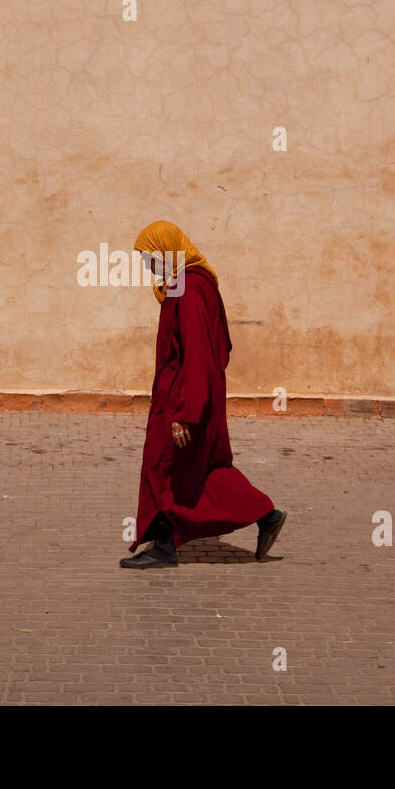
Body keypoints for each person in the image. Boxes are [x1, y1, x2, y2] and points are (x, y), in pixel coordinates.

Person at [120, 220, 286, 569]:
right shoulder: (192, 283)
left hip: (183, 400)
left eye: (151, 258)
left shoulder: (189, 289)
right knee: (205, 471)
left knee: (165, 468)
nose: (148, 267)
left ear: (168, 251)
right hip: (192, 396)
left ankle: (164, 546)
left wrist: (186, 413)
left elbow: (197, 353)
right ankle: (266, 515)